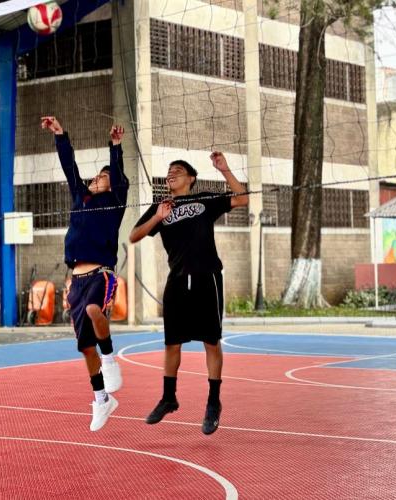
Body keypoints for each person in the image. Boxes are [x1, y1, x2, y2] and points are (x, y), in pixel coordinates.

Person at [129, 153, 248, 434]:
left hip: (207, 277)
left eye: (178, 170)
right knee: (172, 343)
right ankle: (169, 397)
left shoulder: (206, 199)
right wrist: (157, 217)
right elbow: (134, 236)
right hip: (178, 280)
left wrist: (225, 169)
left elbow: (243, 199)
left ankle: (213, 402)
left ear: (191, 178)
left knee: (211, 341)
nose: (172, 174)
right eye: (169, 171)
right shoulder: (162, 206)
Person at [42, 116, 128, 431]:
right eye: (97, 176)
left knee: (96, 310)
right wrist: (60, 135)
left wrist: (115, 148)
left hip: (101, 273)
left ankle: (110, 360)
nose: (99, 178)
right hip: (75, 278)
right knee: (84, 347)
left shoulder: (114, 202)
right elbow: (70, 168)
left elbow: (117, 176)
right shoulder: (81, 199)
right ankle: (102, 400)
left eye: (105, 176)